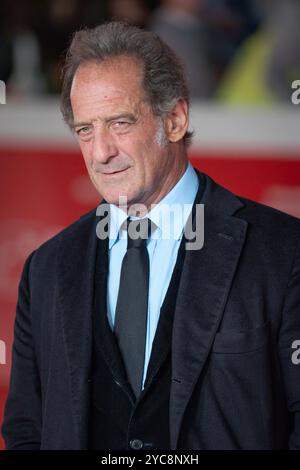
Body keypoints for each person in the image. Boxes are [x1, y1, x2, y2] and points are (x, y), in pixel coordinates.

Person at [2, 21, 300, 450]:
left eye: (119, 123)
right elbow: (27, 430)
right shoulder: (48, 269)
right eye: (85, 129)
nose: (100, 152)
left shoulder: (283, 253)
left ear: (175, 119)